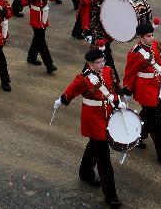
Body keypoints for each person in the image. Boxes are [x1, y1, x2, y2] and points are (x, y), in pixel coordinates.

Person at [55, 47, 123, 208]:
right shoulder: (84, 79)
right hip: (93, 119)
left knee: (95, 146)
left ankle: (85, 172)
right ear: (89, 64)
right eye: (97, 62)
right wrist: (62, 100)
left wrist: (118, 100)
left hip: (107, 114)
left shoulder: (107, 71)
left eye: (102, 61)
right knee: (104, 159)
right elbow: (70, 91)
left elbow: (112, 89)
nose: (101, 64)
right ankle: (110, 195)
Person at [122, 20, 161, 168]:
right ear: (141, 37)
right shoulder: (135, 53)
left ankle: (138, 135)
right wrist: (128, 91)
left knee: (147, 115)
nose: (151, 38)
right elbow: (130, 74)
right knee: (156, 122)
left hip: (155, 85)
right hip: (144, 89)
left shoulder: (152, 45)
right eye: (148, 36)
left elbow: (158, 62)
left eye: (152, 35)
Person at [79, 0, 119, 79]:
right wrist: (86, 30)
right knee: (100, 54)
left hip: (105, 24)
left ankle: (86, 77)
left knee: (100, 54)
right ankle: (113, 81)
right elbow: (85, 12)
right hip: (95, 26)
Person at [22, 0, 58, 73]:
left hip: (44, 14)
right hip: (35, 15)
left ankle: (31, 57)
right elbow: (23, 2)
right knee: (41, 40)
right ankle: (49, 64)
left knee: (37, 37)